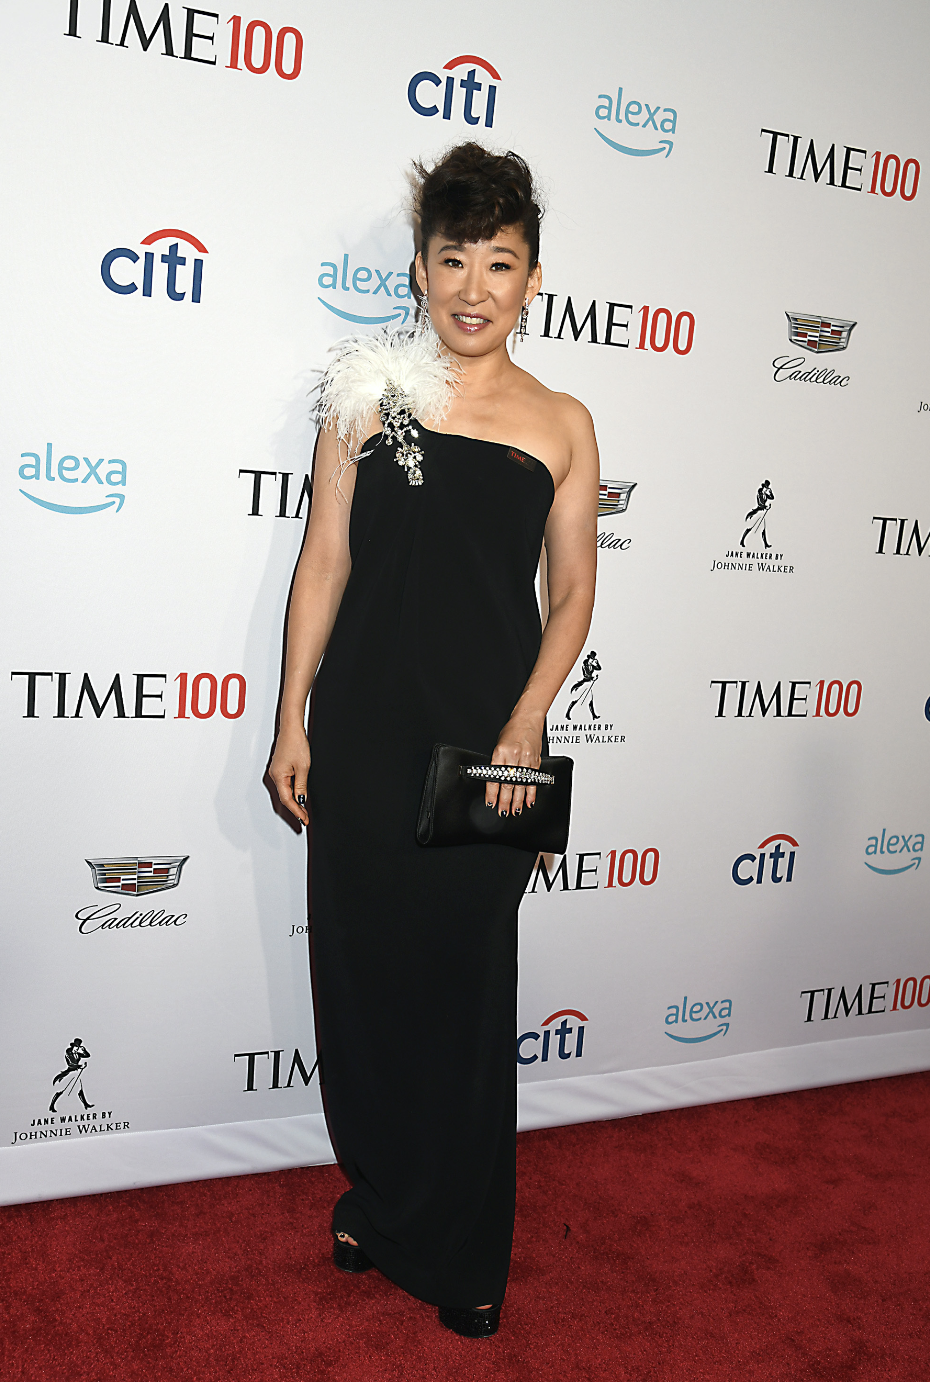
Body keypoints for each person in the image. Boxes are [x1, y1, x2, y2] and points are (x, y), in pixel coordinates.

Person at [269, 143, 598, 1338]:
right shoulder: (367, 392)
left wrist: (526, 713)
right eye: (452, 257)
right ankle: (385, 1202)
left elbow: (570, 593)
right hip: (361, 728)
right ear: (419, 268)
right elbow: (324, 557)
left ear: (532, 278)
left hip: (488, 747)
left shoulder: (563, 420)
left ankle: (461, 1251)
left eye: (498, 262)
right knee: (364, 983)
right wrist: (290, 708)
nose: (473, 284)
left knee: (460, 991)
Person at [741, 480, 774, 548]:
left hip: (763, 511)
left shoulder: (765, 493)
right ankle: (742, 540)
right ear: (764, 486)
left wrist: (771, 492)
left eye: (768, 486)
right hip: (758, 511)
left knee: (763, 528)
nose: (767, 487)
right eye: (767, 486)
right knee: (751, 526)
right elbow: (760, 502)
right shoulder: (760, 492)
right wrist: (765, 507)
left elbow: (772, 498)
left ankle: (765, 544)